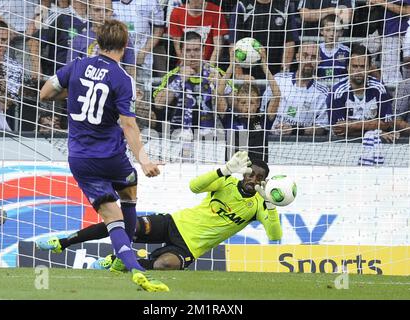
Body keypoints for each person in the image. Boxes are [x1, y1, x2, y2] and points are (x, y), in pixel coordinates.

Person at [39, 19, 168, 292]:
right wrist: (144, 160)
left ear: (97, 43)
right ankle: (128, 263)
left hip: (80, 159)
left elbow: (45, 93)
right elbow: (129, 124)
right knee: (130, 195)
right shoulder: (123, 79)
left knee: (112, 218)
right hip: (111, 156)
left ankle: (129, 265)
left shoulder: (75, 66)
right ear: (125, 46)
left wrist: (73, 92)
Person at [36, 152, 283, 272]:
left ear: (264, 181)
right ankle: (63, 241)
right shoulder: (226, 182)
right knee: (123, 224)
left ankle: (121, 261)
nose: (254, 179)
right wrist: (224, 170)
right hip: (175, 223)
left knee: (167, 264)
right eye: (251, 174)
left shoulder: (260, 206)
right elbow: (194, 186)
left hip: (189, 248)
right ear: (245, 172)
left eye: (259, 178)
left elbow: (274, 235)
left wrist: (270, 205)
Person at [153, 31, 233, 134]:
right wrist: (179, 80)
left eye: (196, 50)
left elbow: (234, 103)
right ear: (181, 52)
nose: (192, 55)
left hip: (211, 135)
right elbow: (158, 104)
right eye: (188, 50)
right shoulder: (173, 75)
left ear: (203, 50)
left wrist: (221, 86)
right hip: (179, 135)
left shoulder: (215, 73)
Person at [328, 43, 408, 139]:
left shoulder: (379, 89)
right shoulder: (337, 92)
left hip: (373, 143)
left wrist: (351, 125)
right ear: (348, 67)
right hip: (341, 145)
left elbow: (386, 124)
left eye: (362, 67)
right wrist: (377, 131)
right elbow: (339, 130)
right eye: (354, 66)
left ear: (369, 68)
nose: (358, 71)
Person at [261, 42, 329, 136]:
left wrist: (294, 130)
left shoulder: (323, 92)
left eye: (313, 57)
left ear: (319, 60)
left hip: (301, 143)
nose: (309, 61)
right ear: (297, 57)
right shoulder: (278, 80)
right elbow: (262, 112)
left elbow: (322, 128)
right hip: (271, 139)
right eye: (305, 55)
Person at [69, 0, 136, 78]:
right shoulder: (78, 40)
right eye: (97, 10)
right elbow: (71, 72)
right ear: (89, 10)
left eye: (106, 11)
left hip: (115, 86)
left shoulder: (123, 37)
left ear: (112, 12)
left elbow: (130, 70)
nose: (102, 15)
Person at [229, 0, 295, 77]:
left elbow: (289, 42)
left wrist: (283, 74)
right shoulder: (241, 6)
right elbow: (234, 44)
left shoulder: (285, 6)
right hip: (248, 73)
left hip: (276, 72)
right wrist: (240, 76)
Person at [317, 14, 350, 88]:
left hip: (340, 90)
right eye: (328, 30)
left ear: (341, 33)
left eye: (336, 30)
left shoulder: (347, 52)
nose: (331, 34)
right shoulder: (315, 50)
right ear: (321, 31)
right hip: (319, 90)